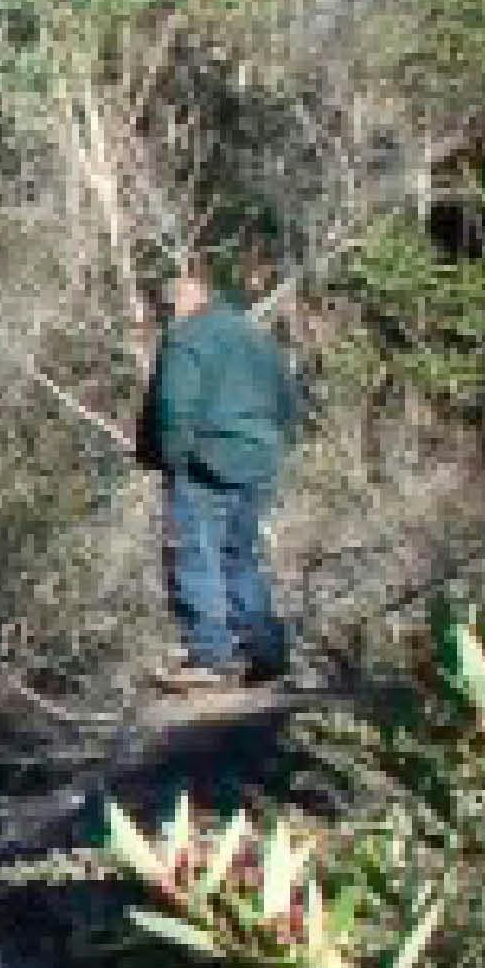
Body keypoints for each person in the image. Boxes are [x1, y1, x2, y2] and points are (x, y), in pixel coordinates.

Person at [134, 258, 302, 690]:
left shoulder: (186, 338)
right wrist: (275, 445)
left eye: (167, 305)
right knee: (240, 555)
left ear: (184, 301)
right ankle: (266, 651)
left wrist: (171, 458)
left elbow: (173, 406)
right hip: (260, 459)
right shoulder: (255, 335)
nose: (165, 313)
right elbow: (288, 401)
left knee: (195, 553)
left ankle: (210, 656)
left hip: (206, 462)